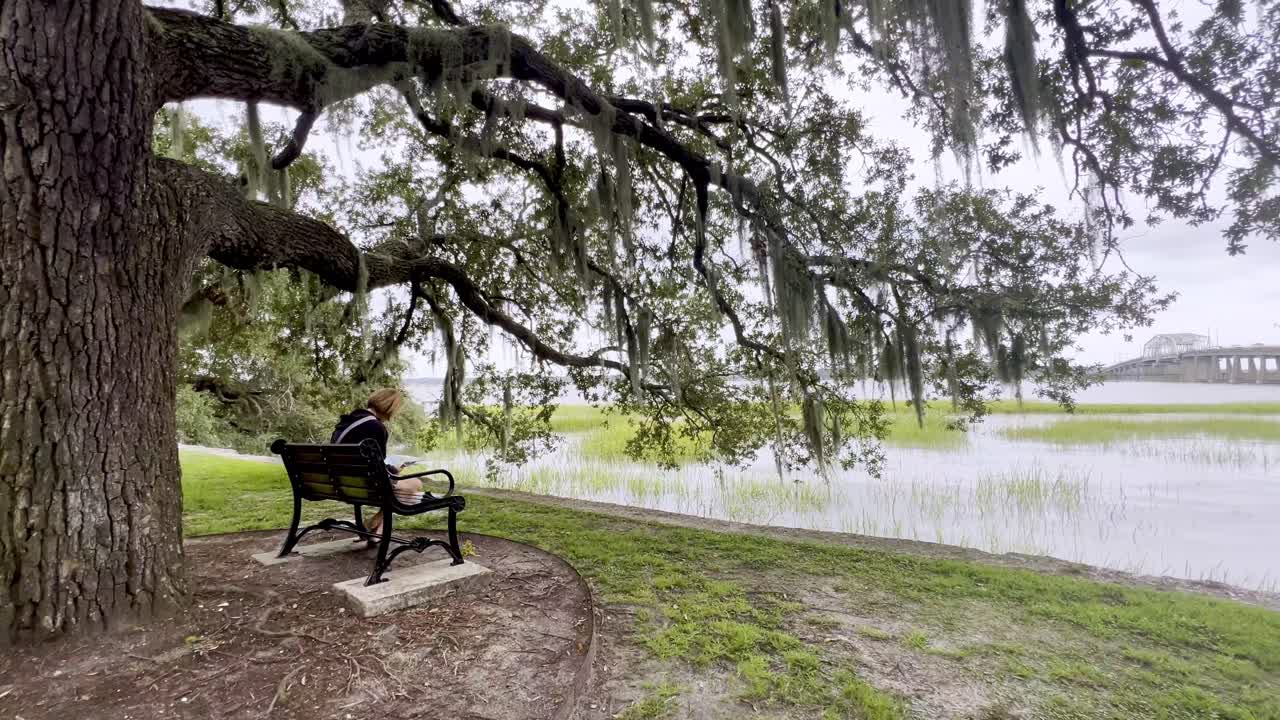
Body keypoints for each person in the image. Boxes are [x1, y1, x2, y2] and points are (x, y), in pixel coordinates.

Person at [331, 388, 423, 536]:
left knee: (400, 486)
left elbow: (365, 461)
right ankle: (376, 522)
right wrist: (395, 470)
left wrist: (390, 470)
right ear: (390, 408)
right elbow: (378, 468)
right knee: (415, 484)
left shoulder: (347, 421)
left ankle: (378, 530)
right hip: (364, 485)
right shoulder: (376, 427)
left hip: (340, 482)